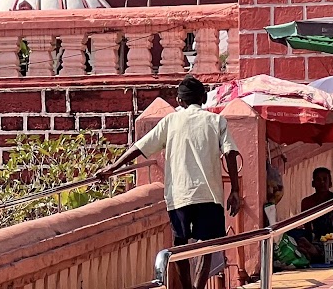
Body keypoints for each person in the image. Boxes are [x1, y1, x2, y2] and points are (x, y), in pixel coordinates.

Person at [97, 76, 242, 289]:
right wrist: (235, 190)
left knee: (180, 244)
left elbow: (141, 147)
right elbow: (230, 153)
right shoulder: (216, 120)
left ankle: (186, 287)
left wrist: (113, 168)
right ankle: (198, 287)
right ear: (203, 98)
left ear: (179, 100)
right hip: (209, 194)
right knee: (206, 244)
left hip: (179, 195)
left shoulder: (170, 121)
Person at [291, 167, 333, 264]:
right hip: (318, 238)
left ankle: (314, 253)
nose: (322, 182)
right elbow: (307, 227)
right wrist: (308, 241)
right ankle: (311, 251)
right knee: (294, 235)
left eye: (325, 179)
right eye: (318, 180)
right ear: (313, 184)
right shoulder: (307, 202)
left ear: (330, 183)